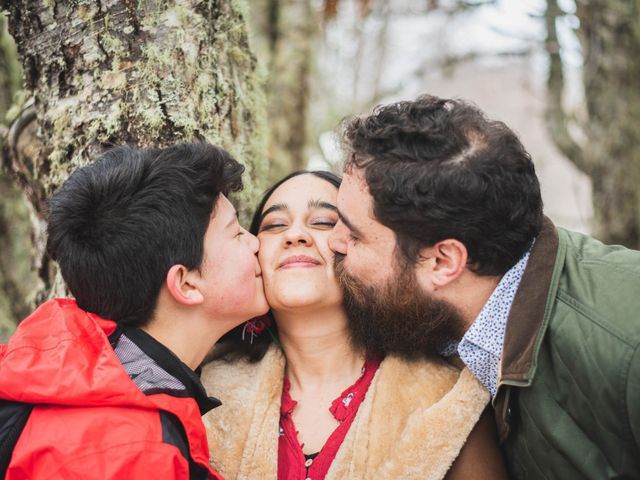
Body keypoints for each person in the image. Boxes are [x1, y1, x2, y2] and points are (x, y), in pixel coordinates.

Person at [328, 94, 640, 479]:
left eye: (355, 235)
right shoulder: (440, 323)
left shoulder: (627, 341)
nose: (334, 241)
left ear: (443, 261)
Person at [201, 170, 507, 479]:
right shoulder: (206, 395)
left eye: (323, 222)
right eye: (275, 225)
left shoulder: (448, 401)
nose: (294, 235)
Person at [0, 143, 268, 479]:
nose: (256, 242)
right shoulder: (136, 453)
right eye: (236, 233)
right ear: (185, 284)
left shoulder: (54, 366)